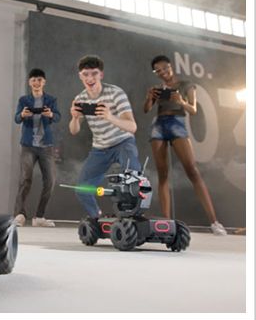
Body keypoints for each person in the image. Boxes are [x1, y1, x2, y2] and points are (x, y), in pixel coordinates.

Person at [144, 55, 226, 235]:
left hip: (177, 123)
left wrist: (180, 101)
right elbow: (146, 109)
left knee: (192, 171)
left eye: (165, 68)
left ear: (171, 66)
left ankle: (214, 222)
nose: (163, 72)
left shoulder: (186, 84)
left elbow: (193, 109)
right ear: (156, 73)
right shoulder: (157, 89)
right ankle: (166, 223)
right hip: (158, 125)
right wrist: (149, 97)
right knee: (162, 175)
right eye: (158, 70)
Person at [69, 55, 140, 218]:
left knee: (134, 179)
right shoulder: (80, 99)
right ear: (80, 76)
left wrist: (110, 117)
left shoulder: (116, 93)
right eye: (85, 74)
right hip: (100, 148)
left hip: (123, 142)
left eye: (94, 73)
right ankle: (97, 218)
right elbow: (73, 131)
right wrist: (74, 118)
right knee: (82, 189)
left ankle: (131, 217)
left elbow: (132, 127)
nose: (90, 78)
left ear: (101, 74)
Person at [13, 68, 61, 227]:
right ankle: (19, 214)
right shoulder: (24, 100)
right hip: (28, 145)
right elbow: (16, 119)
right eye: (33, 80)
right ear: (29, 82)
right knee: (25, 179)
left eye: (39, 80)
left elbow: (58, 116)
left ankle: (39, 216)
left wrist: (51, 115)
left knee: (50, 181)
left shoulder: (51, 100)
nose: (36, 83)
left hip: (46, 146)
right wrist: (22, 115)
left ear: (44, 82)